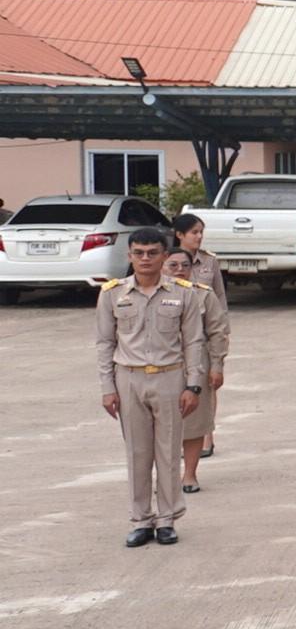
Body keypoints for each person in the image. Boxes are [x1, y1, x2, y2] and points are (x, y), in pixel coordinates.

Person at [96, 228, 210, 547]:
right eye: (139, 252)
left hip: (170, 377)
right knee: (137, 452)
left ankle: (167, 519)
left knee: (168, 451)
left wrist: (194, 385)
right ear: (129, 256)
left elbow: (194, 342)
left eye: (152, 252)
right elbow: (105, 343)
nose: (145, 258)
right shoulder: (112, 293)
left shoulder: (184, 292)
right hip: (128, 378)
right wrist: (108, 387)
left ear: (163, 256)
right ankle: (141, 519)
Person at [166, 212, 231, 490]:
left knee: (202, 400)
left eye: (201, 231)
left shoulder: (206, 271)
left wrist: (218, 359)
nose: (199, 236)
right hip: (162, 362)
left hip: (198, 355)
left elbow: (218, 305)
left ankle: (205, 440)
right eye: (194, 232)